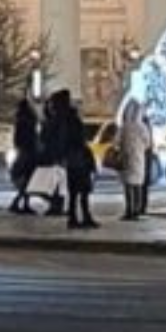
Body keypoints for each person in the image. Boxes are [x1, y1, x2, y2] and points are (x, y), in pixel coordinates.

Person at [60, 91, 98, 230]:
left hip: (73, 160)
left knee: (74, 192)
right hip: (79, 160)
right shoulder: (73, 122)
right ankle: (83, 217)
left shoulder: (64, 121)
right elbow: (79, 141)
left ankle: (74, 217)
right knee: (82, 191)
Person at [118, 95, 153, 221]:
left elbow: (117, 141)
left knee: (128, 186)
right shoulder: (142, 127)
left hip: (126, 158)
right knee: (137, 184)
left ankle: (129, 209)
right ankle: (137, 210)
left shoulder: (124, 127)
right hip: (139, 158)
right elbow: (148, 143)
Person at [8, 94, 39, 215]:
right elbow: (31, 137)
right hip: (29, 153)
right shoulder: (29, 120)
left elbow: (17, 139)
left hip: (24, 152)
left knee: (25, 180)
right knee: (27, 180)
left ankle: (20, 203)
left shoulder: (20, 120)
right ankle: (21, 203)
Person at [39, 92, 69, 216]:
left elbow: (52, 136)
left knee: (55, 183)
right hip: (57, 155)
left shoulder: (59, 119)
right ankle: (56, 206)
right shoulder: (58, 118)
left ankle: (56, 206)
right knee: (56, 182)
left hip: (56, 155)